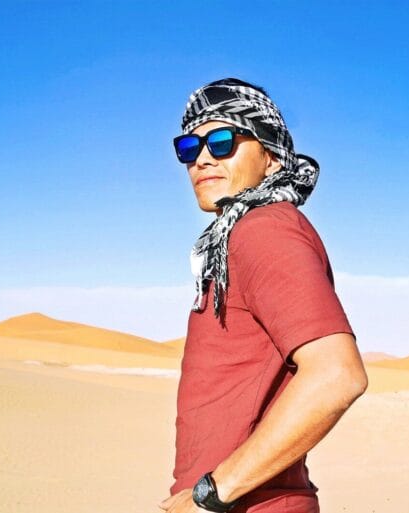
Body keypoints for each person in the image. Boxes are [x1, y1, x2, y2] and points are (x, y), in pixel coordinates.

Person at [158, 78, 368, 513]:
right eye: (188, 147)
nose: (201, 159)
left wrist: (211, 494)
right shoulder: (238, 236)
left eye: (221, 141)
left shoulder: (264, 231)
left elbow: (337, 376)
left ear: (271, 158)